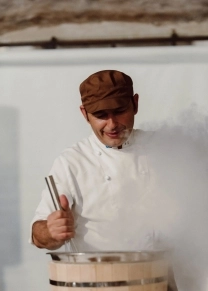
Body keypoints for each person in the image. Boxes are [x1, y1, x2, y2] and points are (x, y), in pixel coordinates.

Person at [30, 69, 163, 252]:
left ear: (135, 104)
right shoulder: (72, 162)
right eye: (101, 115)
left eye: (119, 111)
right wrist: (52, 231)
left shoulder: (164, 147)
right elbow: (38, 236)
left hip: (164, 275)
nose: (112, 124)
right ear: (85, 114)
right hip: (99, 275)